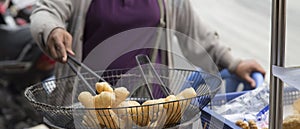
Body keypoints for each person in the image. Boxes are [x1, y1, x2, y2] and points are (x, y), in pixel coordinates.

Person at [30, 0, 266, 89]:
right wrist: (53, 29)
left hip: (149, 107)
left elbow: (198, 35)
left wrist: (234, 63)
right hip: (88, 108)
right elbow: (46, 10)